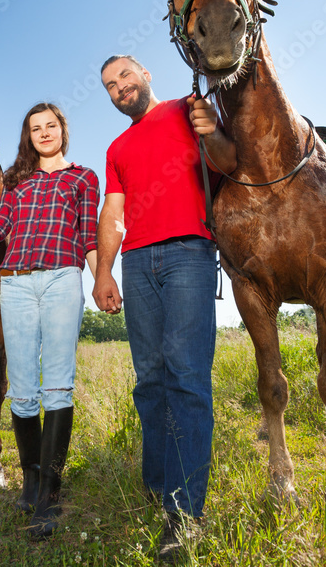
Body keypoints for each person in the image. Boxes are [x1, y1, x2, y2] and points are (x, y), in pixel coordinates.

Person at [91, 55, 236, 560]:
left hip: (189, 254)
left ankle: (185, 512)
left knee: (187, 377)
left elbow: (227, 161)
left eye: (125, 76)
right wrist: (102, 271)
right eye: (110, 86)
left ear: (146, 74)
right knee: (149, 379)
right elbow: (113, 211)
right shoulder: (117, 147)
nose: (119, 88)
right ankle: (157, 485)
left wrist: (211, 129)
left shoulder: (188, 109)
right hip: (135, 262)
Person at [0, 102, 100, 540]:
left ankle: (50, 490)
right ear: (28, 136)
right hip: (16, 284)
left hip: (63, 279)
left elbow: (88, 235)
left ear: (62, 131)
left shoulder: (83, 178)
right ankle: (30, 479)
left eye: (50, 126)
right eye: (35, 128)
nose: (43, 133)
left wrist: (103, 276)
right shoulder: (16, 182)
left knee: (58, 384)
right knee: (24, 389)